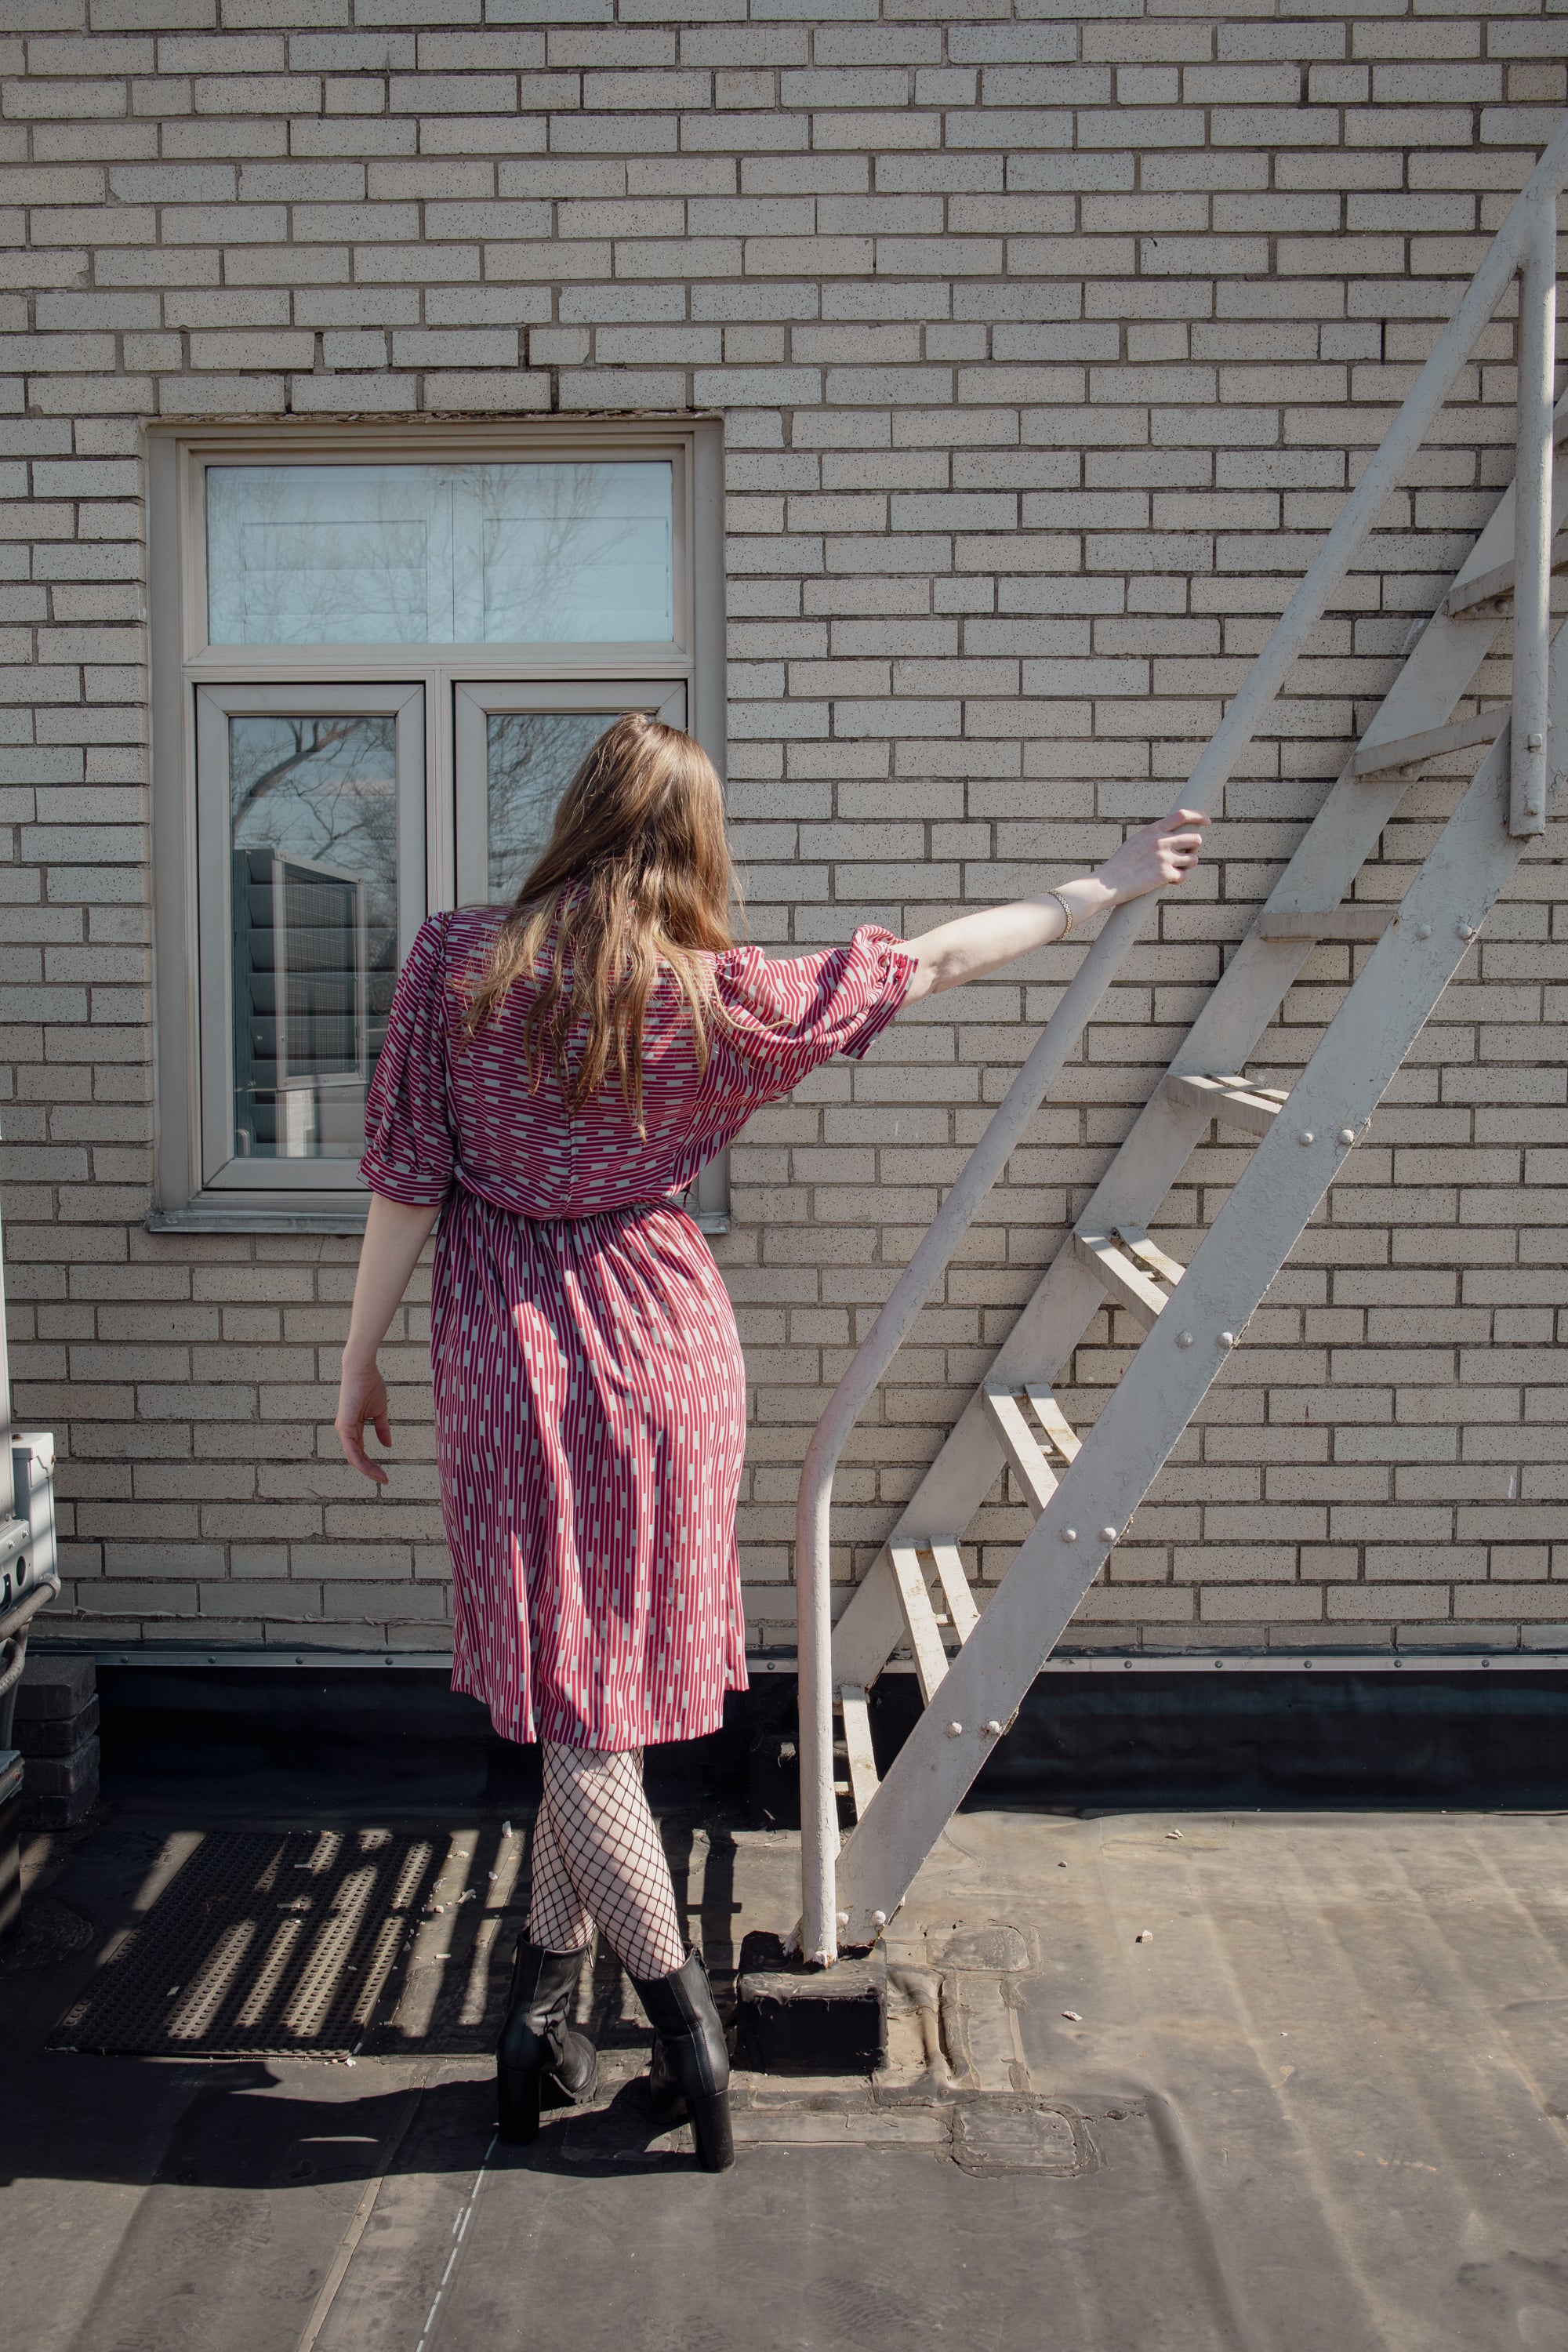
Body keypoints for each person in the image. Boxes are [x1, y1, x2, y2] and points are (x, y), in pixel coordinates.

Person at [335, 712, 1207, 2172]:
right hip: (667, 1348)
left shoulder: (451, 961)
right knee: (589, 1699)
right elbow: (927, 960)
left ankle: (680, 2028)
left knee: (575, 1705)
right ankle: (545, 2020)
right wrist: (1102, 886)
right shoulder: (715, 995)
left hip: (510, 1350)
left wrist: (357, 1353)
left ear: (577, 815)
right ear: (692, 844)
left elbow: (406, 1180)